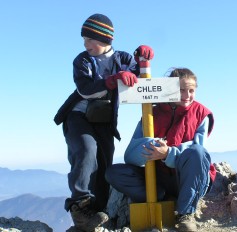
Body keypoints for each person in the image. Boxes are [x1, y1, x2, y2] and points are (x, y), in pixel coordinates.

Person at [53, 13, 154, 231]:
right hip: (77, 116)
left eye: (90, 39)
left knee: (105, 161)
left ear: (105, 39)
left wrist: (143, 59)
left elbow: (140, 78)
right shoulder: (82, 60)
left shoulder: (123, 59)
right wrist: (112, 80)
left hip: (104, 120)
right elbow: (85, 89)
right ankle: (80, 209)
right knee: (87, 150)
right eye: (84, 39)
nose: (85, 44)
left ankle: (99, 211)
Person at [105, 67, 216, 231]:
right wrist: (152, 147)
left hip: (189, 176)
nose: (186, 96)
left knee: (197, 153)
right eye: (181, 90)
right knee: (114, 173)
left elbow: (197, 150)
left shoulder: (201, 113)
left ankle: (186, 214)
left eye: (191, 90)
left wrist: (168, 153)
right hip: (159, 177)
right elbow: (130, 156)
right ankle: (160, 195)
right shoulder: (151, 113)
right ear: (170, 89)